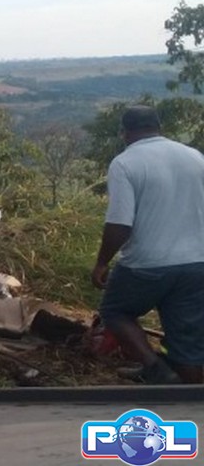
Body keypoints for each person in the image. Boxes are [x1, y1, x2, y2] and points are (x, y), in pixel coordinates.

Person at [91, 105, 204, 384]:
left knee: (115, 311)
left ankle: (157, 370)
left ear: (124, 132)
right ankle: (191, 397)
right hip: (196, 263)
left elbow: (120, 223)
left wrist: (102, 262)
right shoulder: (195, 157)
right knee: (186, 341)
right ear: (158, 128)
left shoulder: (125, 163)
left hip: (147, 264)